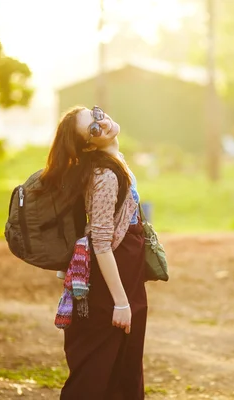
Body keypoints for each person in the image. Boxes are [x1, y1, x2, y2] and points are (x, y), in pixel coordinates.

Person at [41, 105, 147, 399]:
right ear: (88, 144)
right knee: (97, 369)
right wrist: (122, 302)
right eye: (93, 128)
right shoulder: (105, 176)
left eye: (97, 115)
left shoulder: (113, 162)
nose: (103, 124)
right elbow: (100, 242)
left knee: (121, 366)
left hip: (123, 271)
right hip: (110, 281)